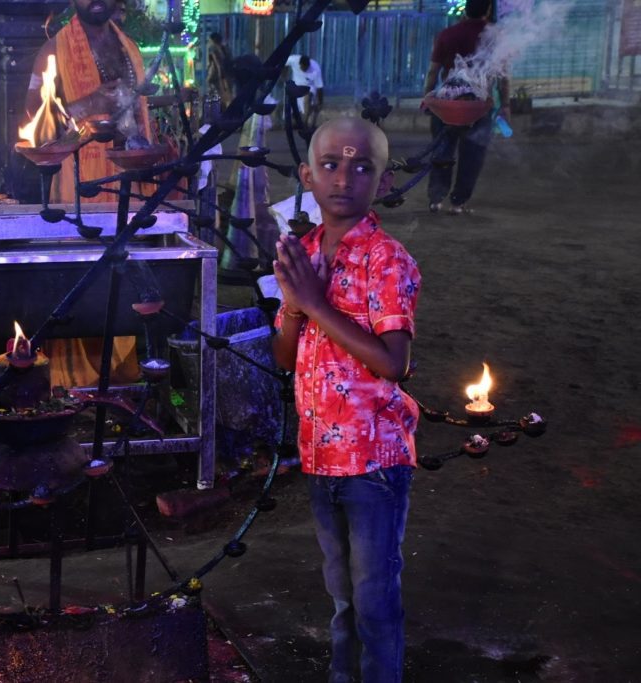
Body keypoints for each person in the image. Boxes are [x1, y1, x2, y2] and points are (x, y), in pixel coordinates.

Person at [271, 118, 421, 683]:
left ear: (381, 183)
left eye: (362, 167)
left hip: (373, 461)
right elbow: (284, 356)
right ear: (307, 175)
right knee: (342, 596)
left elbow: (393, 362)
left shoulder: (387, 260)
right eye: (330, 164)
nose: (344, 178)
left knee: (374, 598)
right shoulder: (303, 251)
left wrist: (313, 301)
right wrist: (293, 304)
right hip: (320, 455)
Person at [25, 0, 147, 388]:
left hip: (130, 190)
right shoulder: (53, 51)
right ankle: (73, 389)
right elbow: (33, 134)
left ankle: (121, 384)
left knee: (129, 288)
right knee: (85, 289)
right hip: (80, 194)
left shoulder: (130, 48)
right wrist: (87, 105)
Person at [423, 0, 510, 215]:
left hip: (447, 105)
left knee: (442, 150)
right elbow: (504, 76)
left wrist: (427, 96)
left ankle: (436, 199)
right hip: (478, 107)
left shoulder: (447, 34)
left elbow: (433, 71)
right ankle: (458, 203)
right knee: (473, 155)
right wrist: (505, 105)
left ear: (465, 9)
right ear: (488, 10)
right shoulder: (496, 38)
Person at [285, 54, 324, 130]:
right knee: (292, 101)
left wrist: (320, 102)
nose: (303, 69)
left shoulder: (315, 69)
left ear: (308, 66)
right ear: (299, 64)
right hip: (296, 85)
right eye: (301, 67)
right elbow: (283, 63)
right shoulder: (293, 60)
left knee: (307, 99)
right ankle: (294, 121)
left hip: (309, 87)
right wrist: (284, 76)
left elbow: (319, 87)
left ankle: (304, 123)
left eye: (305, 68)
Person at [206, 32, 233, 106]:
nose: (208, 42)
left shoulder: (213, 49)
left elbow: (217, 63)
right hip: (228, 73)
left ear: (213, 41)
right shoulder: (225, 48)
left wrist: (220, 74)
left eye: (209, 40)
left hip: (217, 74)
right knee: (227, 93)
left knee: (217, 93)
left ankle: (219, 107)